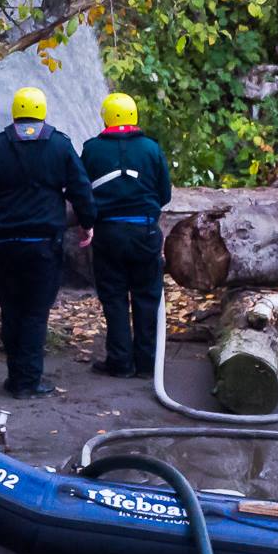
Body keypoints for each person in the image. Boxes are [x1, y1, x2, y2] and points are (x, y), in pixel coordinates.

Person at [0, 87, 97, 398]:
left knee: (12, 310)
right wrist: (88, 222)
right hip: (44, 244)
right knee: (35, 312)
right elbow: (81, 188)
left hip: (7, 244)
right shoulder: (59, 145)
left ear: (15, 112)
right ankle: (28, 382)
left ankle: (15, 376)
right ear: (43, 111)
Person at [80, 92, 173, 379]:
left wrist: (88, 220)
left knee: (114, 297)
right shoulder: (151, 148)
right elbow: (165, 194)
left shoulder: (91, 149)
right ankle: (147, 364)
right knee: (147, 296)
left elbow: (82, 191)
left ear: (106, 118)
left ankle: (120, 362)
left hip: (108, 233)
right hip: (145, 231)